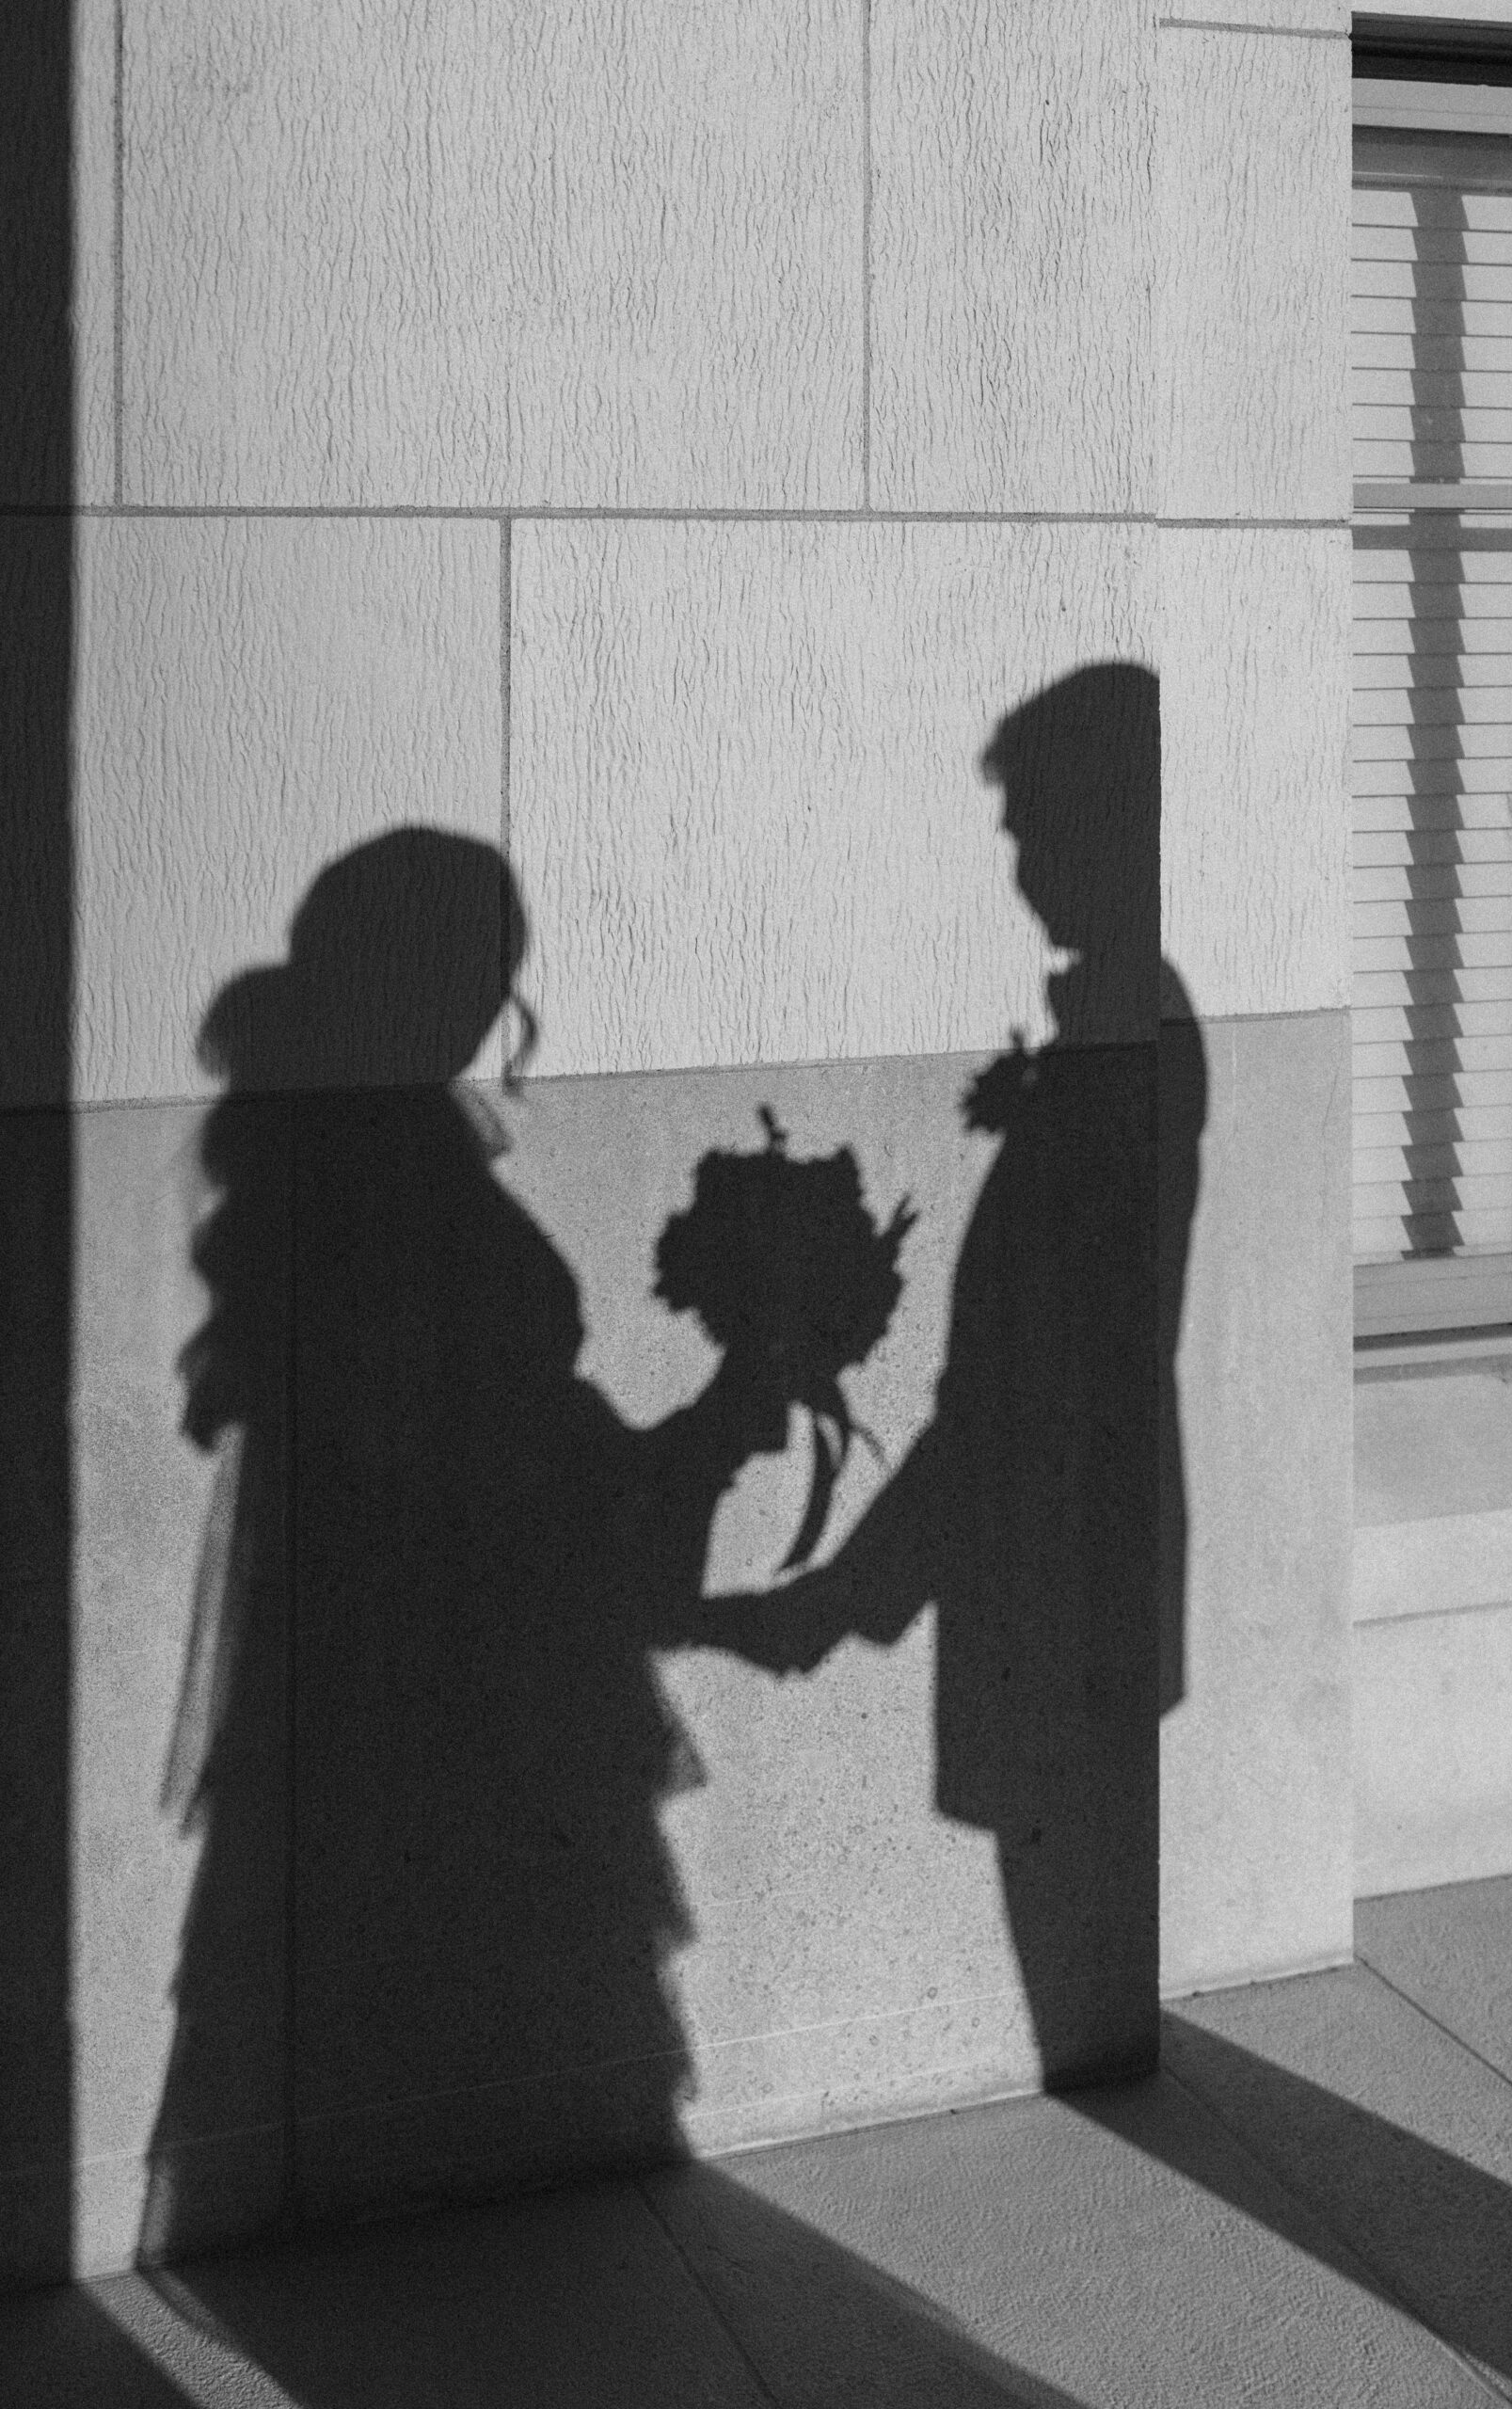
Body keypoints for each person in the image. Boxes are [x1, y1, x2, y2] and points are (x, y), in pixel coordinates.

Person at [144, 829, 911, 2253]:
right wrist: (723, 1411)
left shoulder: (333, 1161)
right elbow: (524, 1495)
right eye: (487, 964)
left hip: (401, 1678)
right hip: (476, 1687)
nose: (499, 997)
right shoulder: (411, 1183)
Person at [722, 662, 1203, 2087]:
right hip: (1045, 1548)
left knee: (1074, 1967)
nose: (1018, 864)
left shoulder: (1131, 1039)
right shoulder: (1097, 1036)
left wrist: (846, 1591)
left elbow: (1034, 1374)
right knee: (1066, 1948)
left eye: (1035, 827)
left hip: (1061, 1551)